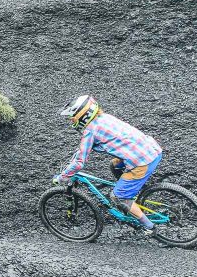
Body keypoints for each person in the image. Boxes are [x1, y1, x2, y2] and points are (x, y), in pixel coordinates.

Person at [54, 94, 162, 234]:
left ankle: (149, 228)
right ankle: (131, 192)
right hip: (152, 150)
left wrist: (63, 177)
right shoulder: (104, 118)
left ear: (82, 115)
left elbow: (80, 162)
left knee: (117, 197)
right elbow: (82, 150)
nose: (71, 120)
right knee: (115, 165)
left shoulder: (90, 132)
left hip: (141, 162)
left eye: (72, 117)